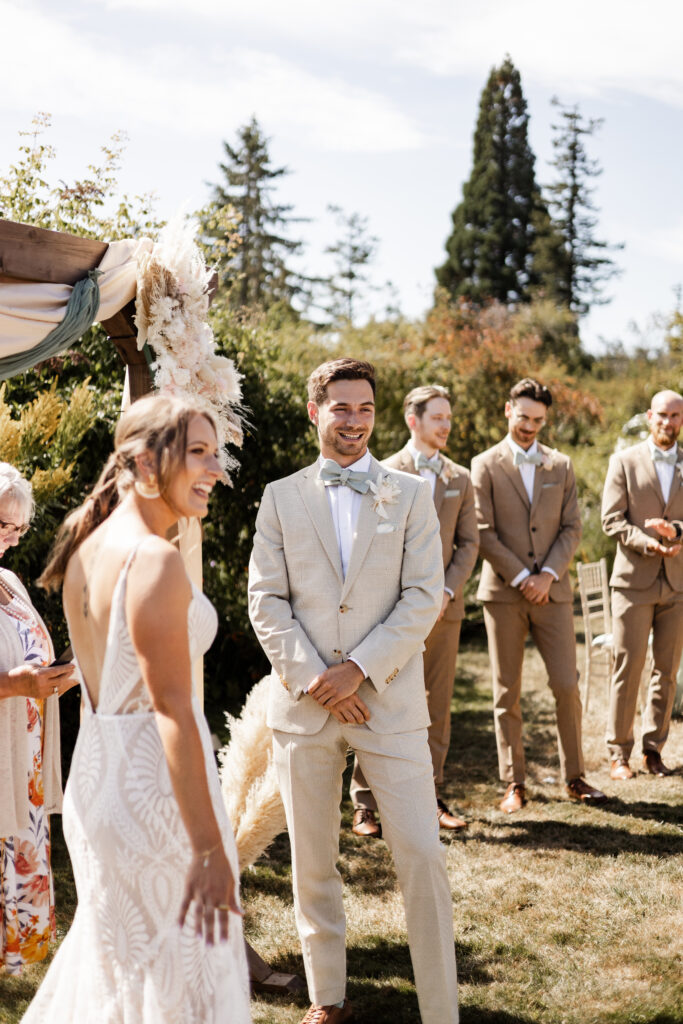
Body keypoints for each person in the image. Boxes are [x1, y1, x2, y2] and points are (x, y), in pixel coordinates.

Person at [23, 395, 250, 1024]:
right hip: (155, 799)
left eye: (215, 452)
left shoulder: (85, 550)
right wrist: (208, 848)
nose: (217, 468)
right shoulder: (152, 559)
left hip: (97, 784)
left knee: (120, 977)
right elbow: (172, 709)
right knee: (182, 987)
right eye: (198, 453)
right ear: (147, 464)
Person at [248, 359, 459, 1024]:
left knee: (421, 854)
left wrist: (359, 670)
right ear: (315, 412)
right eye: (341, 408)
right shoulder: (280, 497)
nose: (354, 421)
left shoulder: (410, 494)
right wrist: (318, 678)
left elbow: (423, 595)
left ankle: (441, 1005)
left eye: (364, 408)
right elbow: (265, 599)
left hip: (389, 705)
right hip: (304, 708)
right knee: (312, 862)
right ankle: (326, 997)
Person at [471, 378, 607, 813]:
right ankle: (513, 782)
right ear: (508, 410)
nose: (530, 427)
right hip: (504, 593)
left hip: (554, 592)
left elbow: (572, 528)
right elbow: (482, 532)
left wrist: (547, 575)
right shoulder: (484, 464)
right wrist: (521, 576)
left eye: (539, 420)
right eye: (524, 417)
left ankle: (575, 777)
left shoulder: (561, 465)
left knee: (567, 685)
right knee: (505, 690)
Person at [350, 384, 478, 836]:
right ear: (413, 420)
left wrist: (444, 591)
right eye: (437, 417)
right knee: (379, 699)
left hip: (443, 611)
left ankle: (433, 794)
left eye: (448, 417)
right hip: (390, 614)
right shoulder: (382, 472)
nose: (445, 425)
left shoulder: (461, 478)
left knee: (437, 706)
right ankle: (365, 804)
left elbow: (469, 543)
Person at [0, 464, 76, 975]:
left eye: (17, 528)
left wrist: (61, 675)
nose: (8, 537)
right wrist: (16, 685)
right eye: (0, 523)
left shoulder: (8, 581)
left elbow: (33, 657)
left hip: (20, 764)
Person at [602, 389, 683, 779]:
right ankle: (619, 753)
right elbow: (611, 520)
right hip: (634, 581)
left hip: (678, 584)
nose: (669, 422)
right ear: (650, 416)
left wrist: (677, 531)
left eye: (676, 416)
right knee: (627, 666)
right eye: (663, 415)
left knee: (666, 670)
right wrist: (648, 542)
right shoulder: (623, 461)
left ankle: (654, 749)